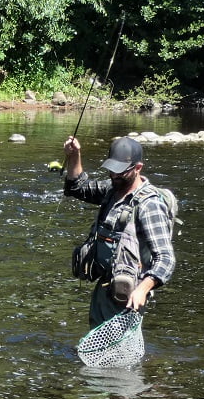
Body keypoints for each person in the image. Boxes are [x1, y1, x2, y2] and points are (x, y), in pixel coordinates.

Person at [62, 135, 176, 327]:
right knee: (100, 348)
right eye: (111, 170)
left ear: (138, 168)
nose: (114, 175)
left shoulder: (150, 205)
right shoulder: (112, 190)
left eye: (120, 172)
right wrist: (75, 155)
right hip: (105, 285)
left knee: (117, 353)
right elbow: (77, 188)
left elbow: (166, 259)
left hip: (127, 293)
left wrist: (142, 289)